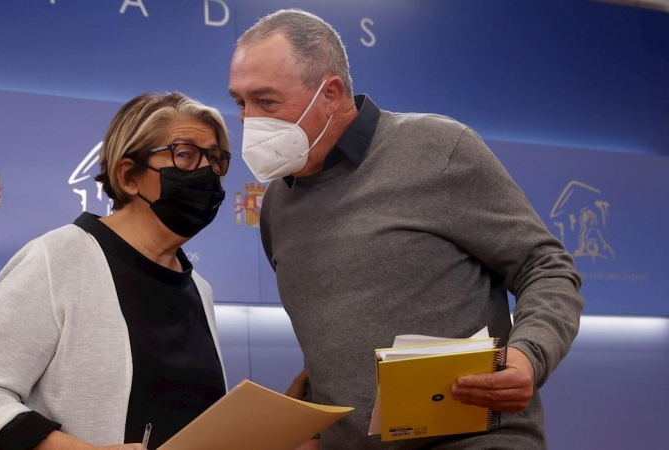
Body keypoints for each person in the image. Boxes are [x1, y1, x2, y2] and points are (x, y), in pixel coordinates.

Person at [228, 9, 584, 450]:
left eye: (266, 101)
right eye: (240, 103)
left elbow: (545, 266)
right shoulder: (277, 204)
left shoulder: (439, 149)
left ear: (330, 93)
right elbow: (335, 343)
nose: (248, 120)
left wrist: (529, 356)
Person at [0, 92, 233, 450]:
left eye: (215, 159)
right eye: (185, 155)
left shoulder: (198, 288)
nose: (206, 174)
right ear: (128, 176)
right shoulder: (56, 259)